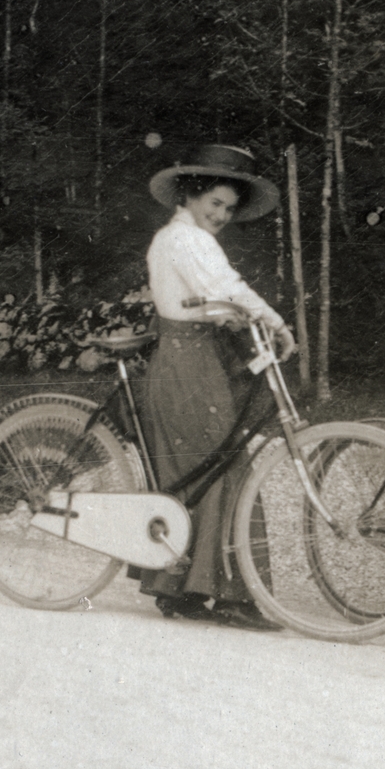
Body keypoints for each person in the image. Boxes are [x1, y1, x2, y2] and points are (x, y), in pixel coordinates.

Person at [137, 144, 296, 631]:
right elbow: (227, 288)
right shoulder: (187, 241)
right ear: (190, 195)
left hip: (188, 358)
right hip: (189, 364)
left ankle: (181, 588)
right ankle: (228, 596)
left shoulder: (177, 238)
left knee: (198, 467)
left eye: (229, 208)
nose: (222, 215)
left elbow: (216, 300)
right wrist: (277, 323)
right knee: (220, 463)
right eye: (215, 204)